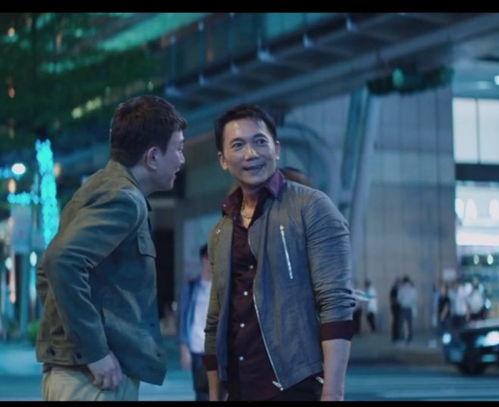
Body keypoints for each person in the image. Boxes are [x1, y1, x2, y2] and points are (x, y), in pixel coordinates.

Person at [35, 95, 187, 401]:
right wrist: (94, 351)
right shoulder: (124, 199)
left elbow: (47, 269)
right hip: (93, 381)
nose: (182, 160)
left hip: (82, 376)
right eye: (179, 149)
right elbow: (60, 262)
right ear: (152, 157)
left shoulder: (98, 187)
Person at [203, 104, 356, 401]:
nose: (251, 153)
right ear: (223, 160)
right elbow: (215, 321)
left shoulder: (312, 207)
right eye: (238, 145)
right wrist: (214, 394)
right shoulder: (221, 230)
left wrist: (333, 392)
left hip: (296, 384)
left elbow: (336, 303)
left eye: (260, 141)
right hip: (239, 385)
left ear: (277, 149)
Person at [178, 244, 212, 401]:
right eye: (209, 258)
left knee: (221, 391)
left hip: (217, 347)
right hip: (197, 346)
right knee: (202, 392)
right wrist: (183, 346)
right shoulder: (191, 286)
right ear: (203, 259)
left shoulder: (223, 287)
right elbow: (183, 316)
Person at [397, 276, 417, 344]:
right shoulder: (412, 289)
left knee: (401, 323)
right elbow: (414, 299)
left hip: (403, 307)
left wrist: (402, 302)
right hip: (410, 308)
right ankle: (410, 337)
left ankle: (402, 337)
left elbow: (399, 298)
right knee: (409, 323)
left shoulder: (401, 288)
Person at [389, 277, 401, 343]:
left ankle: (396, 335)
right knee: (396, 322)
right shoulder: (394, 289)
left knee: (397, 322)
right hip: (395, 307)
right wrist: (398, 301)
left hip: (396, 307)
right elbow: (392, 299)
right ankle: (395, 336)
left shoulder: (396, 289)